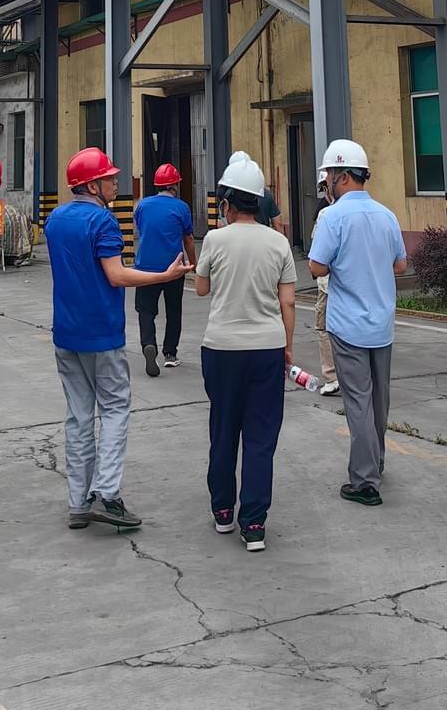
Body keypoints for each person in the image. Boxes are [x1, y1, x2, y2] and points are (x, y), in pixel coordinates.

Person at [45, 147, 192, 531]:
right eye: (109, 178)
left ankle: (78, 503)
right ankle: (107, 494)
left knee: (79, 416)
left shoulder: (56, 219)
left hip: (66, 332)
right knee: (113, 410)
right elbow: (116, 275)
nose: (116, 182)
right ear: (92, 185)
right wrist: (164, 276)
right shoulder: (103, 221)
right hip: (102, 333)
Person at [194, 151, 296, 552]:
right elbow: (288, 302)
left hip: (221, 348)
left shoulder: (215, 239)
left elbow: (201, 289)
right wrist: (287, 348)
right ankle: (254, 524)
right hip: (267, 347)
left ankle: (223, 510)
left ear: (227, 202)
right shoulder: (279, 243)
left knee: (223, 430)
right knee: (260, 436)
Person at [307, 139, 407, 507]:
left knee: (358, 402)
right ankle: (375, 460)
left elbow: (316, 266)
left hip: (348, 325)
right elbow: (400, 265)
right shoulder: (386, 215)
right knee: (379, 399)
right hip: (381, 324)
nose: (327, 184)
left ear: (343, 176)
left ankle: (364, 481)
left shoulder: (333, 217)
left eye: (329, 177)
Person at [133, 162, 197, 374]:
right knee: (173, 311)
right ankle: (170, 353)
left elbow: (141, 229)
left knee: (145, 311)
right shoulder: (181, 207)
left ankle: (148, 344)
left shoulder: (142, 205)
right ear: (175, 186)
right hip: (174, 267)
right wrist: (192, 263)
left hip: (145, 269)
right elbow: (188, 239)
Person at [310, 173, 339, 397]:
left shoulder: (326, 214)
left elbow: (316, 261)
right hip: (360, 287)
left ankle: (331, 377)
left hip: (329, 286)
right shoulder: (378, 212)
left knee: (324, 328)